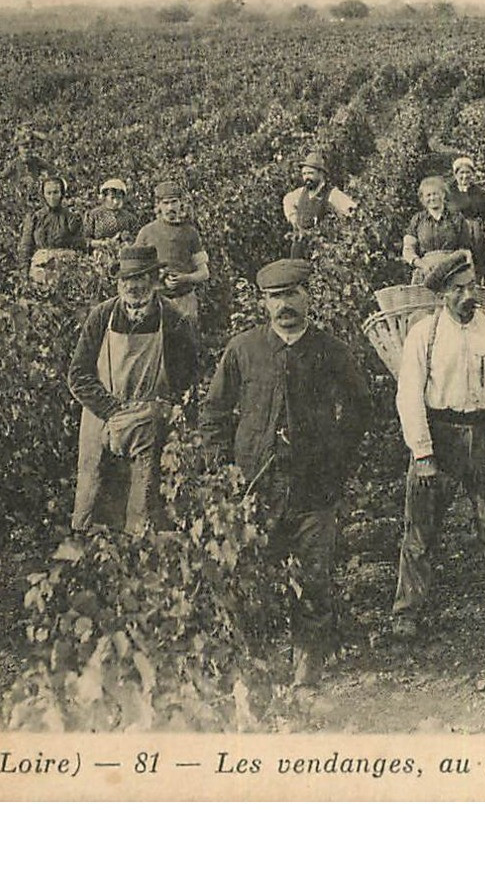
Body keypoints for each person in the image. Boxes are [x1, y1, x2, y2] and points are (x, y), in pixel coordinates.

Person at [202, 258, 370, 688]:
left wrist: (338, 464)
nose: (284, 305)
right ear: (263, 303)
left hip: (314, 488)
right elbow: (214, 414)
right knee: (254, 577)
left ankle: (307, 669)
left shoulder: (329, 350)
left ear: (307, 296)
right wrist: (226, 473)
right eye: (275, 298)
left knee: (313, 576)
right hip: (256, 488)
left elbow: (359, 410)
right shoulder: (244, 349)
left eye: (292, 294)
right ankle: (256, 664)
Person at [393, 250, 485, 635]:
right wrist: (422, 453)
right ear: (441, 295)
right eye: (457, 290)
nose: (467, 296)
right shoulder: (425, 333)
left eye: (471, 287)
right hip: (441, 435)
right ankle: (407, 612)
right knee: (420, 529)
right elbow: (409, 396)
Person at [66, 246, 201, 536]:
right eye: (126, 279)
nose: (133, 286)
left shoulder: (174, 320)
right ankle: (90, 551)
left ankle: (135, 553)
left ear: (154, 279)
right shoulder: (102, 316)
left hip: (149, 417)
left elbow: (187, 377)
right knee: (93, 492)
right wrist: (113, 411)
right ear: (118, 283)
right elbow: (78, 375)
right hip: (101, 413)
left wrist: (164, 410)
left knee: (142, 499)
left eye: (140, 278)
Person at [135, 180, 211, 327]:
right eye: (165, 203)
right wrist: (158, 275)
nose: (170, 207)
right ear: (158, 206)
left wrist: (184, 278)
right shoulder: (146, 233)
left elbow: (204, 273)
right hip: (155, 300)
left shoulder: (190, 233)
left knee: (187, 342)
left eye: (174, 202)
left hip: (185, 301)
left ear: (180, 203)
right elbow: (135, 270)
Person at [402, 175, 484, 283]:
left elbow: (465, 250)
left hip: (453, 272)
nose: (432, 198)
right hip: (426, 273)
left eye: (435, 194)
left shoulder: (456, 218)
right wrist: (423, 265)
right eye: (428, 195)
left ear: (443, 194)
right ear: (423, 198)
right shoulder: (417, 220)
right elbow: (408, 250)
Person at [282, 151, 357, 258]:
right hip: (299, 249)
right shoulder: (301, 193)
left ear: (321, 174)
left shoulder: (332, 194)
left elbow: (353, 212)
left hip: (321, 252)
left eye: (310, 173)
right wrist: (294, 219)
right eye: (304, 174)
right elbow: (287, 200)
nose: (306, 177)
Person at [17, 174, 87, 282]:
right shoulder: (35, 218)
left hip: (64, 267)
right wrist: (24, 272)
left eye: (55, 192)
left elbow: (81, 244)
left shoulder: (71, 218)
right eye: (48, 193)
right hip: (40, 266)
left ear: (61, 194)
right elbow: (26, 246)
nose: (52, 197)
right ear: (43, 195)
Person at [83, 178, 141, 265]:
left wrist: (128, 238)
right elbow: (85, 239)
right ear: (105, 197)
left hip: (124, 257)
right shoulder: (94, 215)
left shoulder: (129, 217)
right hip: (99, 256)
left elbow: (139, 239)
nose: (116, 202)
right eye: (112, 198)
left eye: (119, 198)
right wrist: (102, 243)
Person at [447, 156, 485, 226]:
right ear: (455, 174)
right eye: (462, 172)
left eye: (468, 172)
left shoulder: (479, 192)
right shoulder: (448, 192)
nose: (465, 176)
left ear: (472, 173)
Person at [2, 133, 51, 203]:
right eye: (24, 147)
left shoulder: (36, 160)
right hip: (19, 196)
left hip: (35, 194)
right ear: (19, 149)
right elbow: (3, 176)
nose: (27, 150)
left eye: (30, 147)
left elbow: (51, 169)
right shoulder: (15, 163)